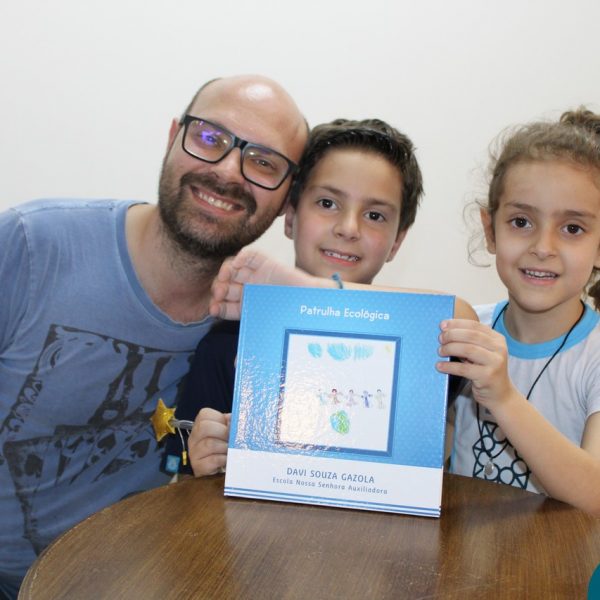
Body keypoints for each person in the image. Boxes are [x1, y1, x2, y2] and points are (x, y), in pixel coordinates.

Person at [0, 74, 308, 597]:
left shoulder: (259, 322)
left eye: (263, 162)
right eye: (209, 138)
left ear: (286, 201)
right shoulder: (35, 247)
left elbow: (436, 319)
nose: (227, 170)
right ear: (172, 138)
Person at [162, 117, 425, 475]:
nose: (348, 228)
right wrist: (203, 459)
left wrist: (316, 297)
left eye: (375, 215)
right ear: (290, 217)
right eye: (327, 203)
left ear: (397, 241)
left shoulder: (419, 349)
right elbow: (183, 470)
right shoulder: (228, 343)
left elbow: (458, 317)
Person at [437, 108, 600, 515]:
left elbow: (595, 495)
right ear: (490, 230)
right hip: (459, 551)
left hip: (559, 557)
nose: (543, 247)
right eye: (522, 221)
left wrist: (504, 398)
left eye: (573, 228)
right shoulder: (468, 328)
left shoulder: (594, 356)